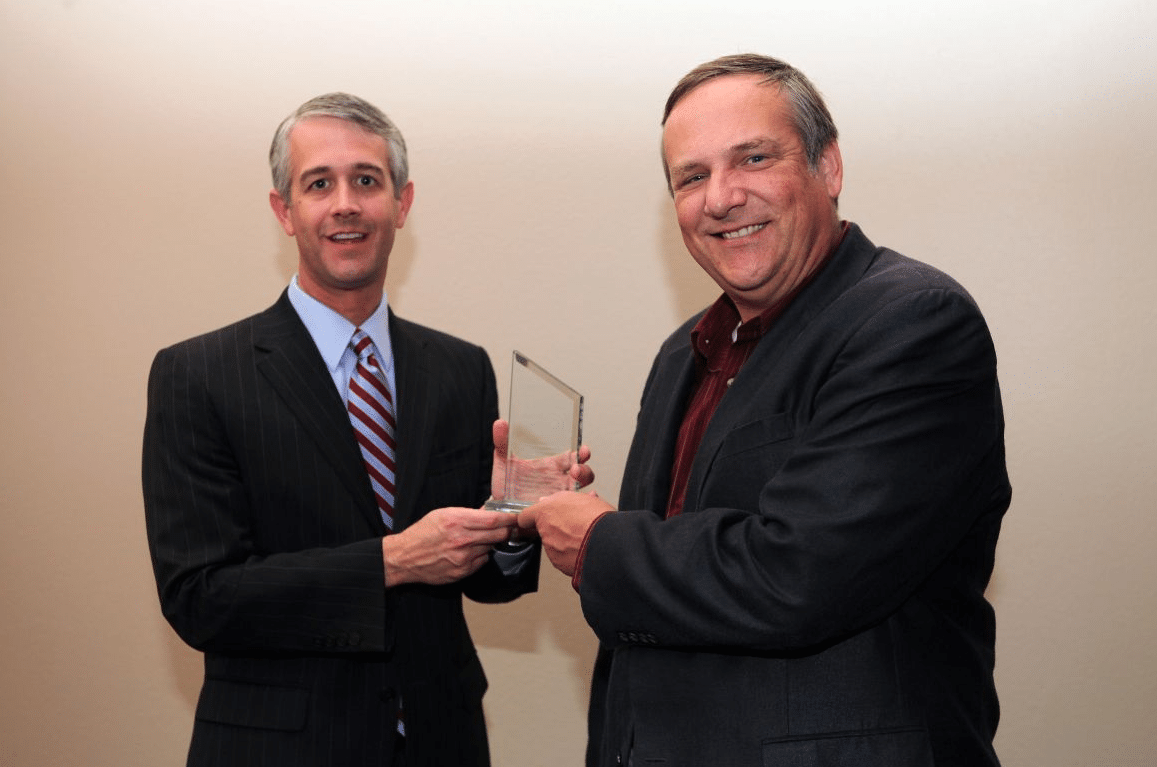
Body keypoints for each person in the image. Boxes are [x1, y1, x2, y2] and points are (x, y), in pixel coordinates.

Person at [518, 54, 1011, 766]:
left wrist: (599, 541)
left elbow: (800, 575)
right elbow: (670, 596)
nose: (721, 198)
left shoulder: (912, 321)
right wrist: (535, 511)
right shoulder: (682, 353)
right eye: (691, 177)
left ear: (827, 166)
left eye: (752, 158)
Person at [143, 92, 588, 767]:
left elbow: (485, 581)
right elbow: (199, 598)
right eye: (319, 184)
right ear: (284, 211)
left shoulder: (460, 368)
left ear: (401, 204)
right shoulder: (197, 375)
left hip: (443, 742)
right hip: (280, 750)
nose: (345, 204)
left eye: (367, 180)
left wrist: (513, 513)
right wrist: (393, 560)